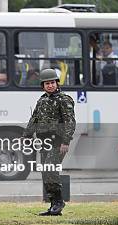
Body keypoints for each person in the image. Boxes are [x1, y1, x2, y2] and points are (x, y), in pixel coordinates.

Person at [23, 69, 76, 216]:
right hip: (44, 142)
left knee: (50, 170)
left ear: (57, 83)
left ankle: (59, 202)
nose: (50, 85)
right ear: (43, 85)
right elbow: (34, 119)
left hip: (58, 142)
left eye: (52, 82)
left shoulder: (64, 99)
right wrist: (26, 136)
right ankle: (53, 204)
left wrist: (66, 141)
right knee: (46, 173)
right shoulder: (41, 100)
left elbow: (70, 122)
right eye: (47, 83)